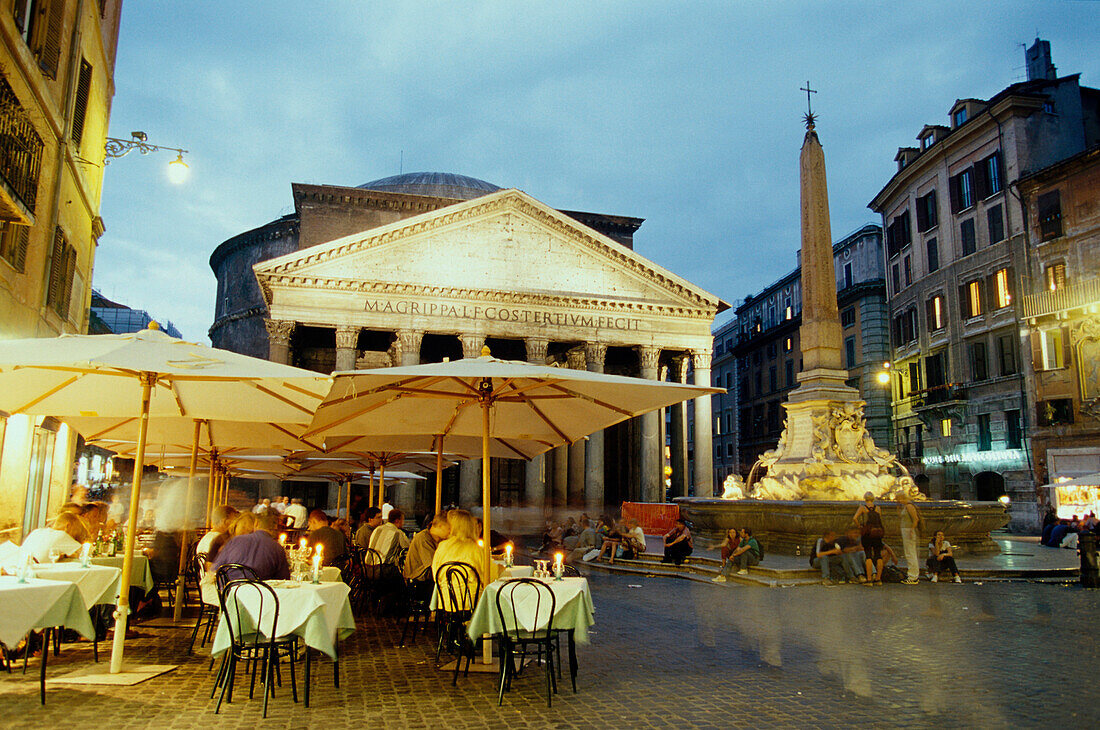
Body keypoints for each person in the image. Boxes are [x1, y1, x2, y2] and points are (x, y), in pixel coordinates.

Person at [430, 509, 487, 611]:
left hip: (447, 600)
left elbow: (435, 574)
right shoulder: (475, 549)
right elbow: (487, 577)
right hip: (472, 603)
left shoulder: (442, 547)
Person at [211, 512, 290, 580]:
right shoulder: (277, 548)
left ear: (256, 523)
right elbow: (284, 579)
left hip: (230, 592)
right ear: (276, 528)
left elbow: (216, 568)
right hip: (259, 595)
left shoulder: (235, 541)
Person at [19, 512, 88, 562]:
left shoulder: (37, 531)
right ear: (68, 526)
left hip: (20, 567)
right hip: (37, 572)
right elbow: (84, 553)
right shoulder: (62, 535)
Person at [404, 513, 450, 581]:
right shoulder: (423, 538)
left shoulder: (438, 539)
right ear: (440, 526)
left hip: (428, 577)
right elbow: (433, 565)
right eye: (449, 528)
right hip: (418, 580)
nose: (450, 532)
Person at [853, 491, 886, 586]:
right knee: (878, 555)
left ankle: (869, 579)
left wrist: (859, 526)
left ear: (865, 498)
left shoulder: (862, 508)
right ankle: (878, 579)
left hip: (867, 533)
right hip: (877, 533)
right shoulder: (878, 508)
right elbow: (880, 519)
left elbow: (855, 518)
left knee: (868, 555)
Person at [896, 492, 923, 585]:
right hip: (905, 530)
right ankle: (912, 574)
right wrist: (898, 508)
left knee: (911, 553)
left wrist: (912, 530)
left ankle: (913, 576)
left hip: (908, 531)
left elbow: (916, 519)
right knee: (908, 553)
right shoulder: (904, 506)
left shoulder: (909, 506)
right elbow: (902, 517)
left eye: (897, 499)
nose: (897, 501)